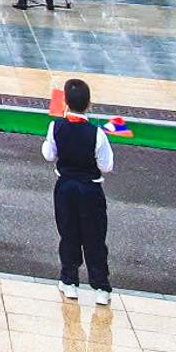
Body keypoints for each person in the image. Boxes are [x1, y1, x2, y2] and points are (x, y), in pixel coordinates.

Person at [44, 77, 115, 304]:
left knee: (69, 233)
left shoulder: (56, 127)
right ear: (89, 104)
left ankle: (70, 281)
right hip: (90, 189)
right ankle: (101, 288)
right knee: (94, 237)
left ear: (65, 101)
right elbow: (107, 165)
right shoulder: (97, 133)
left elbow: (49, 155)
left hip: (65, 186)